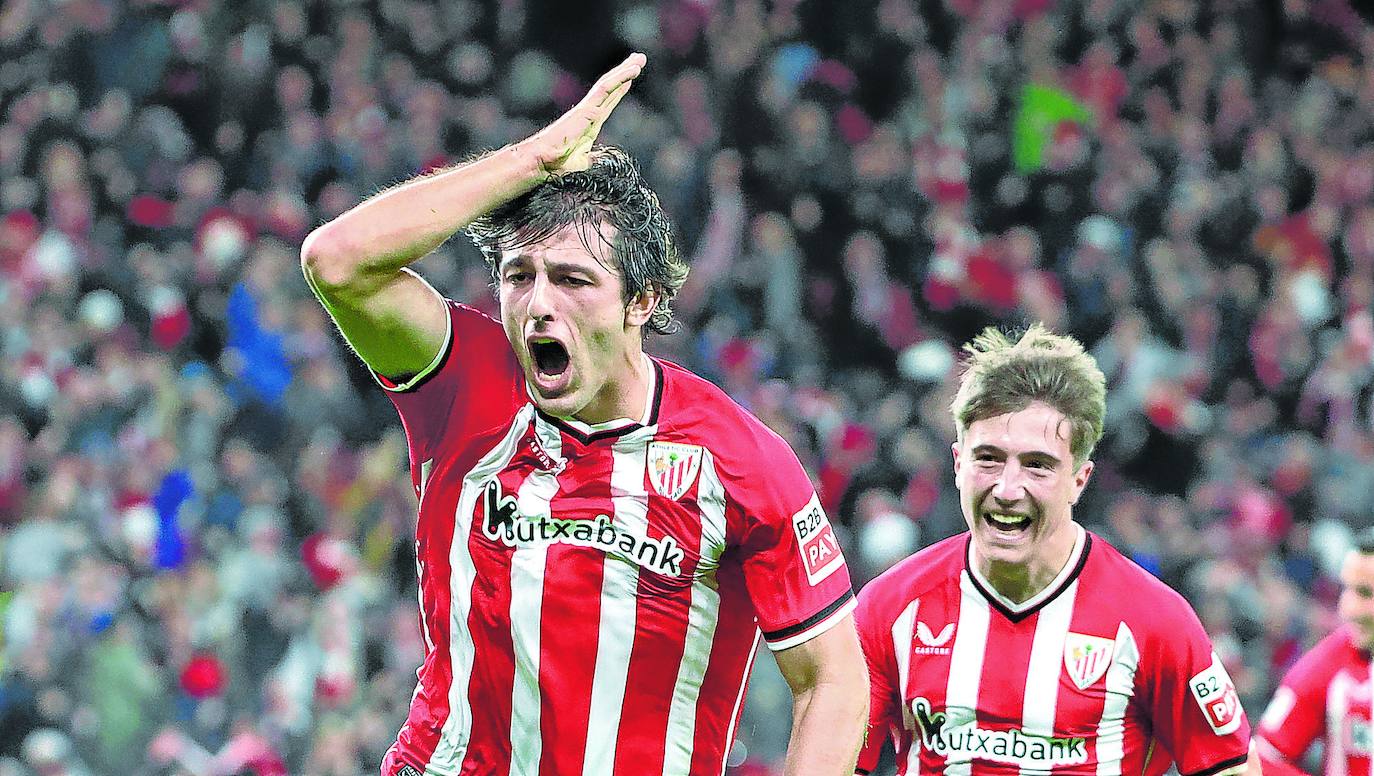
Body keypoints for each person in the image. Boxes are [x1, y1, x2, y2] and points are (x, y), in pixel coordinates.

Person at [300, 53, 868, 776]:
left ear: (642, 301)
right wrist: (532, 160)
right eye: (519, 277)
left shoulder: (736, 460)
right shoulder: (468, 384)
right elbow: (337, 260)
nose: (539, 304)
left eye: (572, 280)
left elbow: (833, 681)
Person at [853, 325, 1255, 776]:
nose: (1007, 489)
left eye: (1037, 465)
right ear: (958, 464)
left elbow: (1233, 768)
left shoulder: (1154, 620)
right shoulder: (889, 607)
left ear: (1079, 481)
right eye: (988, 458)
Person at [1254, 531, 1374, 776]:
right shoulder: (1332, 661)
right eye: (1346, 589)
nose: (1348, 608)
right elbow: (1261, 759)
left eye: (1365, 593)